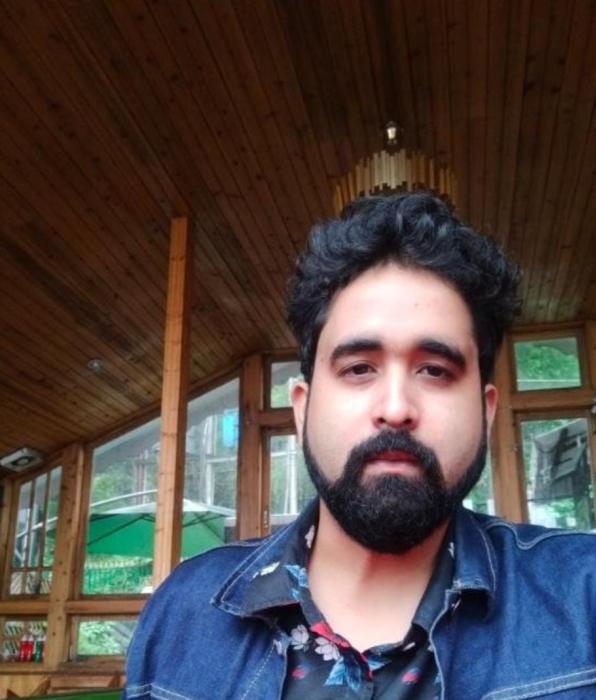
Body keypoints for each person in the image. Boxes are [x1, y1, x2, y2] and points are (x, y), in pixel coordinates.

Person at [125, 193, 596, 700]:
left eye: (435, 370)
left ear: (485, 411)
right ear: (302, 409)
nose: (395, 407)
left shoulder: (584, 598)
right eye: (358, 369)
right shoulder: (182, 613)